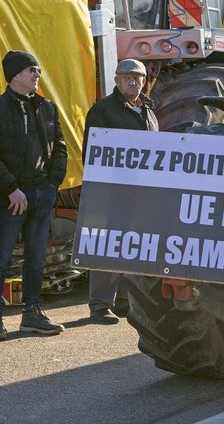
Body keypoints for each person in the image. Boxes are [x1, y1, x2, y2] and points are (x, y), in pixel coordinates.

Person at [0, 51, 67, 340]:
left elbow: (59, 147)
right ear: (14, 75)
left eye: (37, 70)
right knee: (0, 259)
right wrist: (11, 188)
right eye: (31, 70)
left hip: (41, 194)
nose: (37, 75)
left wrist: (52, 185)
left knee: (36, 258)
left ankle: (32, 314)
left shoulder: (46, 107)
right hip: (9, 198)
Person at [81, 59, 158, 324]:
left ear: (144, 82)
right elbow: (91, 153)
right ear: (116, 80)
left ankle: (125, 300)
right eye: (127, 77)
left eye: (138, 78)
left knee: (134, 246)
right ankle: (100, 304)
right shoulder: (103, 111)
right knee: (110, 245)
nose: (133, 82)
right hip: (114, 191)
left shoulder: (148, 110)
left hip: (144, 193)